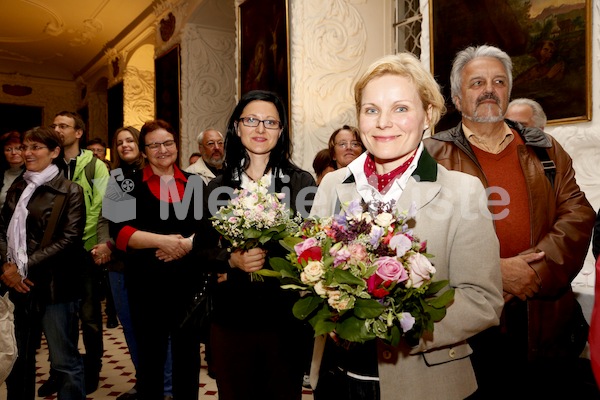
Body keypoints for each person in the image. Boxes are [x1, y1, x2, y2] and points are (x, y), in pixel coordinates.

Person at [309, 52, 503, 400]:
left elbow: (483, 299)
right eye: (371, 110)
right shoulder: (332, 185)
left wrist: (395, 324)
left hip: (426, 384)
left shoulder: (463, 191)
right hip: (338, 380)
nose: (384, 122)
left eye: (400, 108)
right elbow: (310, 275)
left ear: (428, 114)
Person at [423, 44, 596, 399]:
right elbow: (417, 238)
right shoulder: (431, 156)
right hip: (465, 330)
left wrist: (534, 271)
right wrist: (493, 271)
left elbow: (577, 215)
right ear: (456, 98)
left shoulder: (545, 149)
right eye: (477, 83)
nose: (489, 89)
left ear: (508, 92)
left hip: (542, 320)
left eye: (498, 81)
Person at [200, 90, 316, 400]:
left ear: (281, 131)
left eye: (270, 122)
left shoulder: (300, 183)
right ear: (237, 127)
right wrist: (231, 260)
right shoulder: (219, 186)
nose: (260, 129)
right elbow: (202, 248)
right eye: (251, 120)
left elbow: (313, 247)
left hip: (284, 318)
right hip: (231, 317)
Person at [110, 119, 203, 400]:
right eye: (154, 145)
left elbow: (208, 228)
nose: (163, 149)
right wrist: (161, 241)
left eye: (168, 143)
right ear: (143, 150)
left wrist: (185, 245)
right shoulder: (121, 181)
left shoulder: (195, 183)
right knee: (150, 359)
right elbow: (119, 233)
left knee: (188, 359)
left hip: (188, 286)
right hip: (145, 286)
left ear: (177, 144)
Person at [0, 126, 86, 399]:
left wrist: (23, 267)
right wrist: (7, 267)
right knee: (18, 359)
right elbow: (1, 229)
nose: (27, 153)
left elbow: (68, 240)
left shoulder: (70, 190)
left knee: (63, 363)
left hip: (54, 287)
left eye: (35, 147)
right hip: (16, 284)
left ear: (54, 152)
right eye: (25, 147)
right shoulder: (18, 185)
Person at [92, 126, 174, 400]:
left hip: (154, 263)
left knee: (161, 330)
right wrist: (108, 245)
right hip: (120, 266)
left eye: (130, 140)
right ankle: (146, 381)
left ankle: (165, 386)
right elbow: (114, 224)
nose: (124, 145)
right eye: (119, 142)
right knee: (131, 326)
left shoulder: (164, 175)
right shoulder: (118, 178)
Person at [38, 111, 110, 396]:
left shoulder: (95, 167)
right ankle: (60, 370)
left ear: (78, 132)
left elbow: (102, 208)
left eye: (63, 126)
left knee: (90, 318)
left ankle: (92, 369)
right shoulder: (46, 164)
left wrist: (90, 242)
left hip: (84, 250)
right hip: (52, 255)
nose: (57, 129)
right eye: (54, 125)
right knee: (57, 318)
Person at [0, 131, 25, 209]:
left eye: (18, 148)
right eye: (8, 149)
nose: (14, 152)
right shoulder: (2, 174)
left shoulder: (32, 174)